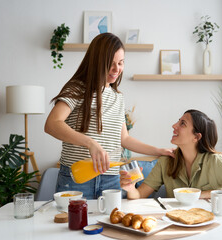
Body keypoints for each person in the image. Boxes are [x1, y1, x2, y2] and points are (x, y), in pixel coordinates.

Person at [44, 33, 174, 199]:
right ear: (97, 63)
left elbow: (124, 139)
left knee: (110, 224)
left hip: (111, 179)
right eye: (110, 64)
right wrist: (90, 143)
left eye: (121, 63)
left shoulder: (117, 97)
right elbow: (52, 124)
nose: (117, 69)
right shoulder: (76, 89)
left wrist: (158, 150)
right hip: (77, 178)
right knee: (73, 224)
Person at [120, 109, 222, 202]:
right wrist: (131, 189)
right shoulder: (165, 162)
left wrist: (205, 194)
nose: (174, 125)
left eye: (182, 124)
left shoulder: (214, 162)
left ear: (196, 137)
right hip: (175, 224)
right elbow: (139, 195)